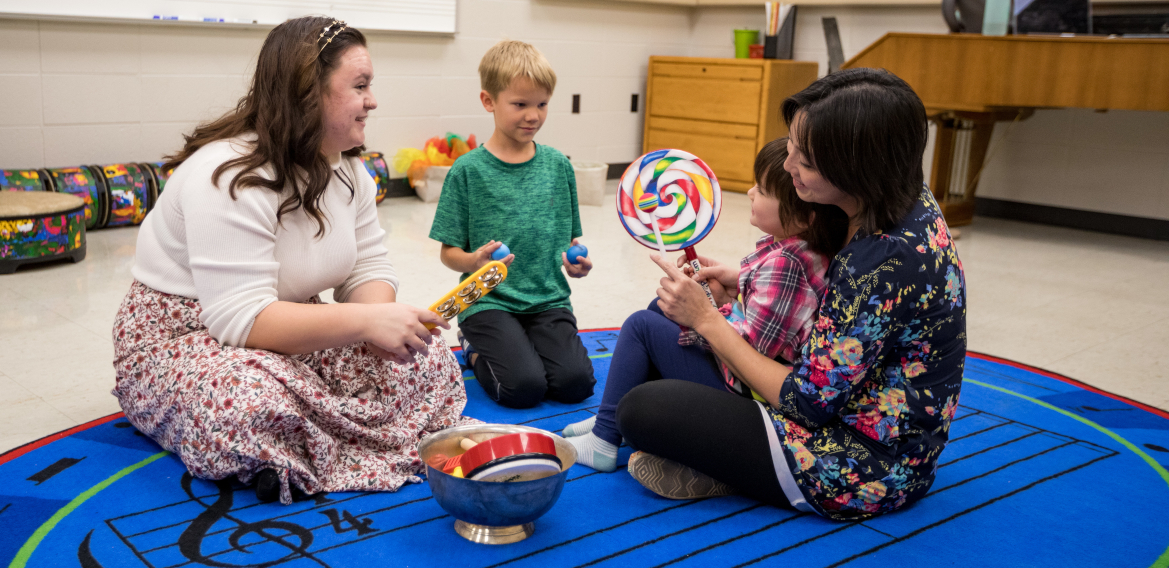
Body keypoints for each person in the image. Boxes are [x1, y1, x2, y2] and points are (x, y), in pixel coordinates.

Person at [112, 17, 473, 505]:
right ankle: (280, 441)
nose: (373, 100)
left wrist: (381, 326)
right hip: (190, 335)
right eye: (360, 86)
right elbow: (240, 319)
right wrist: (368, 323)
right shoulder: (228, 177)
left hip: (286, 321)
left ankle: (298, 444)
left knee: (426, 366)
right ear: (310, 94)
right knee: (246, 403)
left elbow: (367, 269)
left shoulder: (349, 171)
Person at [616, 68, 967, 521]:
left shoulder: (880, 263)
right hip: (854, 416)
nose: (786, 166)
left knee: (646, 409)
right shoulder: (902, 195)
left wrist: (709, 319)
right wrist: (743, 283)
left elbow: (807, 402)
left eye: (804, 161)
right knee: (661, 319)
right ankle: (729, 462)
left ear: (853, 168)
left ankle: (735, 473)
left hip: (862, 467)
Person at [562, 138, 847, 473]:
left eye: (763, 190)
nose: (751, 193)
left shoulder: (788, 265)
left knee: (641, 325)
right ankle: (611, 413)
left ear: (805, 218)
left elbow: (754, 350)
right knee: (660, 307)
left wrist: (703, 311)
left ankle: (604, 440)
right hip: (746, 376)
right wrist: (728, 292)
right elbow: (766, 313)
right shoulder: (794, 250)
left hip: (746, 392)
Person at [429, 40, 595, 409]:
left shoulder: (558, 166)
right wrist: (473, 262)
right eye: (520, 104)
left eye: (541, 104)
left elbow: (572, 239)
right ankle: (472, 346)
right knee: (522, 388)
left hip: (548, 299)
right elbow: (448, 253)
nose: (532, 115)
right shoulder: (467, 170)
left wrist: (578, 263)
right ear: (489, 101)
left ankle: (523, 344)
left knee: (576, 384)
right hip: (488, 302)